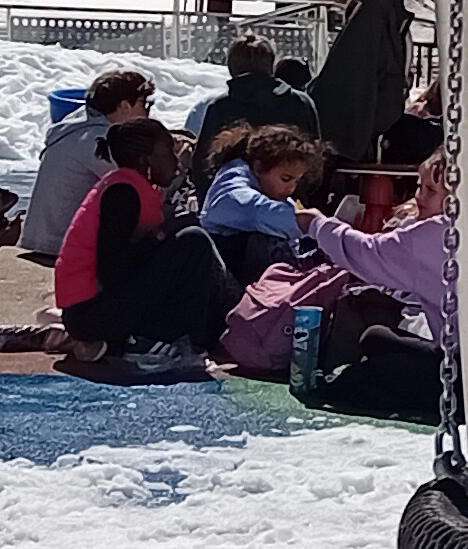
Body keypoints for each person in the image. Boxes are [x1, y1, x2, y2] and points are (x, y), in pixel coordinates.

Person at [313, 142, 468, 416]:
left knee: (376, 343)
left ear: (462, 196)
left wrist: (316, 225)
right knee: (380, 325)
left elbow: (369, 255)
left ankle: (341, 383)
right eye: (419, 186)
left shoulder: (445, 235)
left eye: (430, 190)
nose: (418, 197)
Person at [57, 119, 234, 377]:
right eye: (168, 153)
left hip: (101, 305)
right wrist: (163, 234)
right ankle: (154, 343)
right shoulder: (122, 193)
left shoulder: (134, 187)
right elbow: (112, 270)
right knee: (193, 242)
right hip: (90, 313)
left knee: (195, 243)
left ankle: (191, 336)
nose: (176, 162)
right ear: (144, 160)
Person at [27, 67, 154, 260]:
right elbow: (140, 182)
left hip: (44, 237)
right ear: (124, 106)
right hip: (61, 244)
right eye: (144, 104)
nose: (147, 112)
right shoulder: (98, 140)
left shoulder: (75, 124)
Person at [198, 121, 329, 281]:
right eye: (285, 179)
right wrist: (310, 224)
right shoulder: (229, 185)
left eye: (296, 181)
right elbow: (254, 211)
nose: (291, 189)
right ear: (259, 168)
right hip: (228, 281)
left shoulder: (277, 198)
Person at [184, 32, 314, 144]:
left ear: (231, 68)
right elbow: (316, 151)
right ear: (271, 65)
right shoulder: (301, 103)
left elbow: (202, 160)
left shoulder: (220, 109)